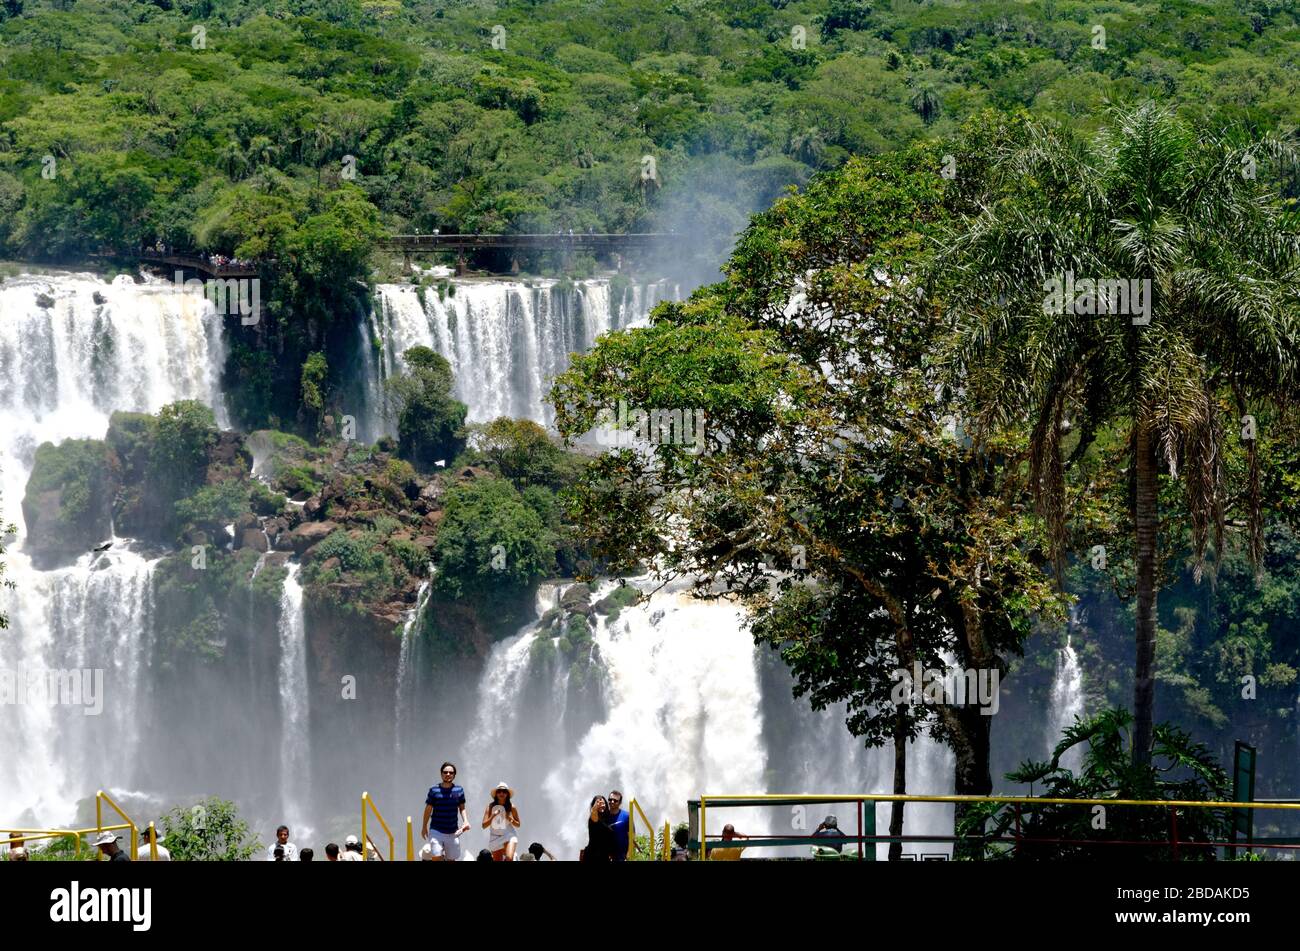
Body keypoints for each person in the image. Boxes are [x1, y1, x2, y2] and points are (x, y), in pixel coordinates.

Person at [421, 761, 469, 861]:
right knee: (436, 855)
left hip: (453, 831)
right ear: (441, 773)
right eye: (445, 772)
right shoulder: (434, 790)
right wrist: (424, 826)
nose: (448, 774)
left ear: (454, 775)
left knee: (451, 859)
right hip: (436, 830)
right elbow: (428, 809)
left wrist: (465, 821)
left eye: (451, 773)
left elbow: (462, 808)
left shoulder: (459, 790)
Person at [482, 782, 521, 861]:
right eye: (499, 791)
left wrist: (509, 818)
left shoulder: (512, 807)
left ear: (507, 794)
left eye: (504, 791)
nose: (501, 793)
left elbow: (518, 824)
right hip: (495, 836)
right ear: (496, 794)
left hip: (509, 834)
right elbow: (484, 825)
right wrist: (493, 815)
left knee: (509, 858)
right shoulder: (490, 807)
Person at [581, 795, 616, 862]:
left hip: (604, 856)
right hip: (592, 856)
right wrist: (595, 807)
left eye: (603, 803)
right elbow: (594, 813)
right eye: (598, 803)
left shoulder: (607, 819)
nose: (601, 805)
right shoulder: (593, 819)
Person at [607, 790, 630, 861]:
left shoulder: (626, 816)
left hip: (622, 856)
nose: (612, 802)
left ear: (620, 803)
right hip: (606, 855)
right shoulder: (604, 816)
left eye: (615, 800)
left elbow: (632, 834)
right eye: (610, 800)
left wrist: (628, 853)